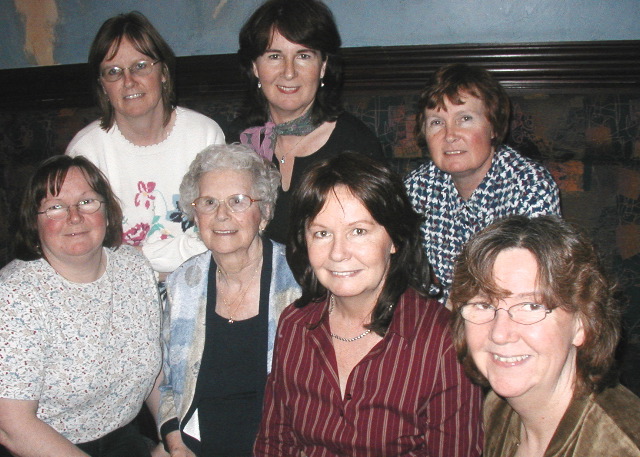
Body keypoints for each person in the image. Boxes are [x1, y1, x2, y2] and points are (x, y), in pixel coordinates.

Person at [254, 152, 483, 456]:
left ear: (394, 238)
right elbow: (274, 444)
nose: (338, 253)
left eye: (358, 231)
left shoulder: (442, 341)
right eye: (322, 233)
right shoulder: (294, 325)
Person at [0, 155, 161, 457]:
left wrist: (173, 435)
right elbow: (12, 425)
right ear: (34, 222)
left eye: (87, 202)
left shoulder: (133, 267)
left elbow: (155, 367)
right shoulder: (14, 295)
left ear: (108, 213)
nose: (74, 217)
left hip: (123, 436)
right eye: (55, 207)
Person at [450, 215, 640, 457]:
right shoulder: (497, 409)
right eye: (484, 305)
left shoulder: (619, 447)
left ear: (582, 323)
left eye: (531, 306)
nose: (499, 334)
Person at [157, 144, 301, 457]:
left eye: (237, 201)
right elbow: (170, 384)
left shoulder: (298, 282)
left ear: (263, 212)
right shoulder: (183, 283)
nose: (222, 215)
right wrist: (175, 444)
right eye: (209, 202)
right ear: (195, 215)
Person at [66, 11, 225, 276]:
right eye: (113, 72)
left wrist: (142, 257)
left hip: (199, 282)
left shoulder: (205, 136)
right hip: (119, 291)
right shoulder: (85, 151)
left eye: (140, 66)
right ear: (103, 85)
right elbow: (83, 246)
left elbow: (219, 231)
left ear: (163, 72)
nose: (129, 81)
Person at [404, 63, 561, 305]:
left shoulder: (530, 187)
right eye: (436, 122)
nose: (449, 135)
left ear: (493, 128)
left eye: (465, 118)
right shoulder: (416, 187)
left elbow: (531, 287)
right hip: (437, 319)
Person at [234, 0, 385, 244]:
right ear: (254, 67)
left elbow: (375, 241)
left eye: (303, 56)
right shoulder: (236, 142)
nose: (289, 72)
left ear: (323, 66)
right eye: (274, 56)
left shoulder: (355, 145)